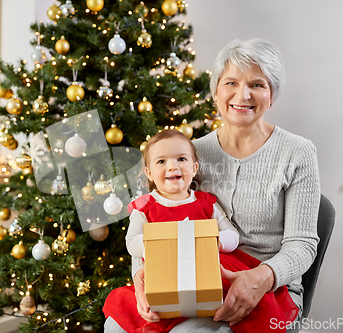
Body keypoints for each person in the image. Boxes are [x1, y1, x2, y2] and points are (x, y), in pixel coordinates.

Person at [126, 38, 320, 333]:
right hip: (193, 279)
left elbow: (303, 245)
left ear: (272, 95)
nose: (243, 95)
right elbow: (153, 222)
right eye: (231, 82)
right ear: (216, 92)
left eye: (257, 84)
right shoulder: (190, 154)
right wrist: (142, 276)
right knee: (117, 325)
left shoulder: (298, 152)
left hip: (269, 288)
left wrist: (261, 278)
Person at [103, 129, 300, 333]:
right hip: (164, 271)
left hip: (207, 266)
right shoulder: (144, 207)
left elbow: (232, 235)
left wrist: (213, 241)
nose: (172, 166)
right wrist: (154, 246)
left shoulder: (205, 202)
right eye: (161, 162)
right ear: (149, 173)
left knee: (228, 301)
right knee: (120, 319)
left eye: (181, 159)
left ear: (195, 167)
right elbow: (132, 241)